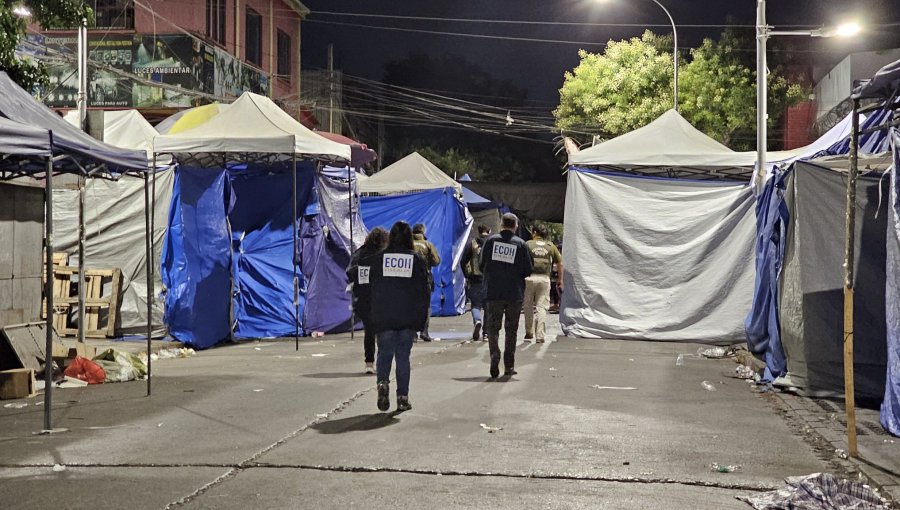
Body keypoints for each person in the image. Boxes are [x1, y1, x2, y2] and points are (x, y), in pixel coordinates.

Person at [368, 221, 431, 412]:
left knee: (384, 353)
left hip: (384, 316)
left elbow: (371, 289)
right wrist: (421, 320)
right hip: (407, 317)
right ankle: (402, 397)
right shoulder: (416, 259)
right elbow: (423, 292)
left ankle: (382, 384)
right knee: (403, 357)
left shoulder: (379, 259)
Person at [480, 213, 533, 378]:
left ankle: (494, 353)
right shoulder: (521, 245)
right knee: (512, 329)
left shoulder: (490, 241)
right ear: (515, 226)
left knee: (493, 327)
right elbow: (528, 269)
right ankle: (509, 365)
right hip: (514, 293)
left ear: (501, 224)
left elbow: (481, 265)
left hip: (493, 291)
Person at [346, 227, 389, 374]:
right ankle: (383, 363)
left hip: (363, 298)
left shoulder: (360, 253)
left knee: (369, 332)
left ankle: (369, 364)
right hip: (382, 299)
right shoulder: (385, 255)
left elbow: (349, 273)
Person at [523, 224, 563, 343]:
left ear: (534, 232)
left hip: (529, 278)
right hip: (544, 279)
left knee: (528, 306)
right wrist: (560, 280)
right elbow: (560, 263)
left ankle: (529, 332)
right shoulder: (551, 246)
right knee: (541, 308)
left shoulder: (528, 244)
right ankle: (540, 336)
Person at [461, 224, 491, 341]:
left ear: (478, 232)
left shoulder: (472, 244)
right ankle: (486, 334)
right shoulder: (492, 244)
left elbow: (463, 261)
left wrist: (467, 275)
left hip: (474, 279)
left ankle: (477, 320)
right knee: (488, 307)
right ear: (489, 231)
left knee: (476, 305)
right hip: (489, 280)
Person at [412, 223, 441, 342]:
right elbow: (436, 261)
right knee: (426, 305)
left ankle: (412, 333)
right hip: (425, 278)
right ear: (423, 232)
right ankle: (424, 332)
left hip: (410, 280)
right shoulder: (428, 244)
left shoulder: (407, 244)